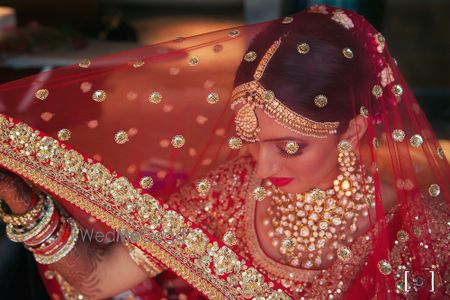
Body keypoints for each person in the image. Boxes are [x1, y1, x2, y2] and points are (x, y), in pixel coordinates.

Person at [0, 5, 448, 299]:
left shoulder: (417, 230)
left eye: (291, 146)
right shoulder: (225, 193)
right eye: (252, 140)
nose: (264, 166)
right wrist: (20, 198)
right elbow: (98, 278)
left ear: (350, 131)